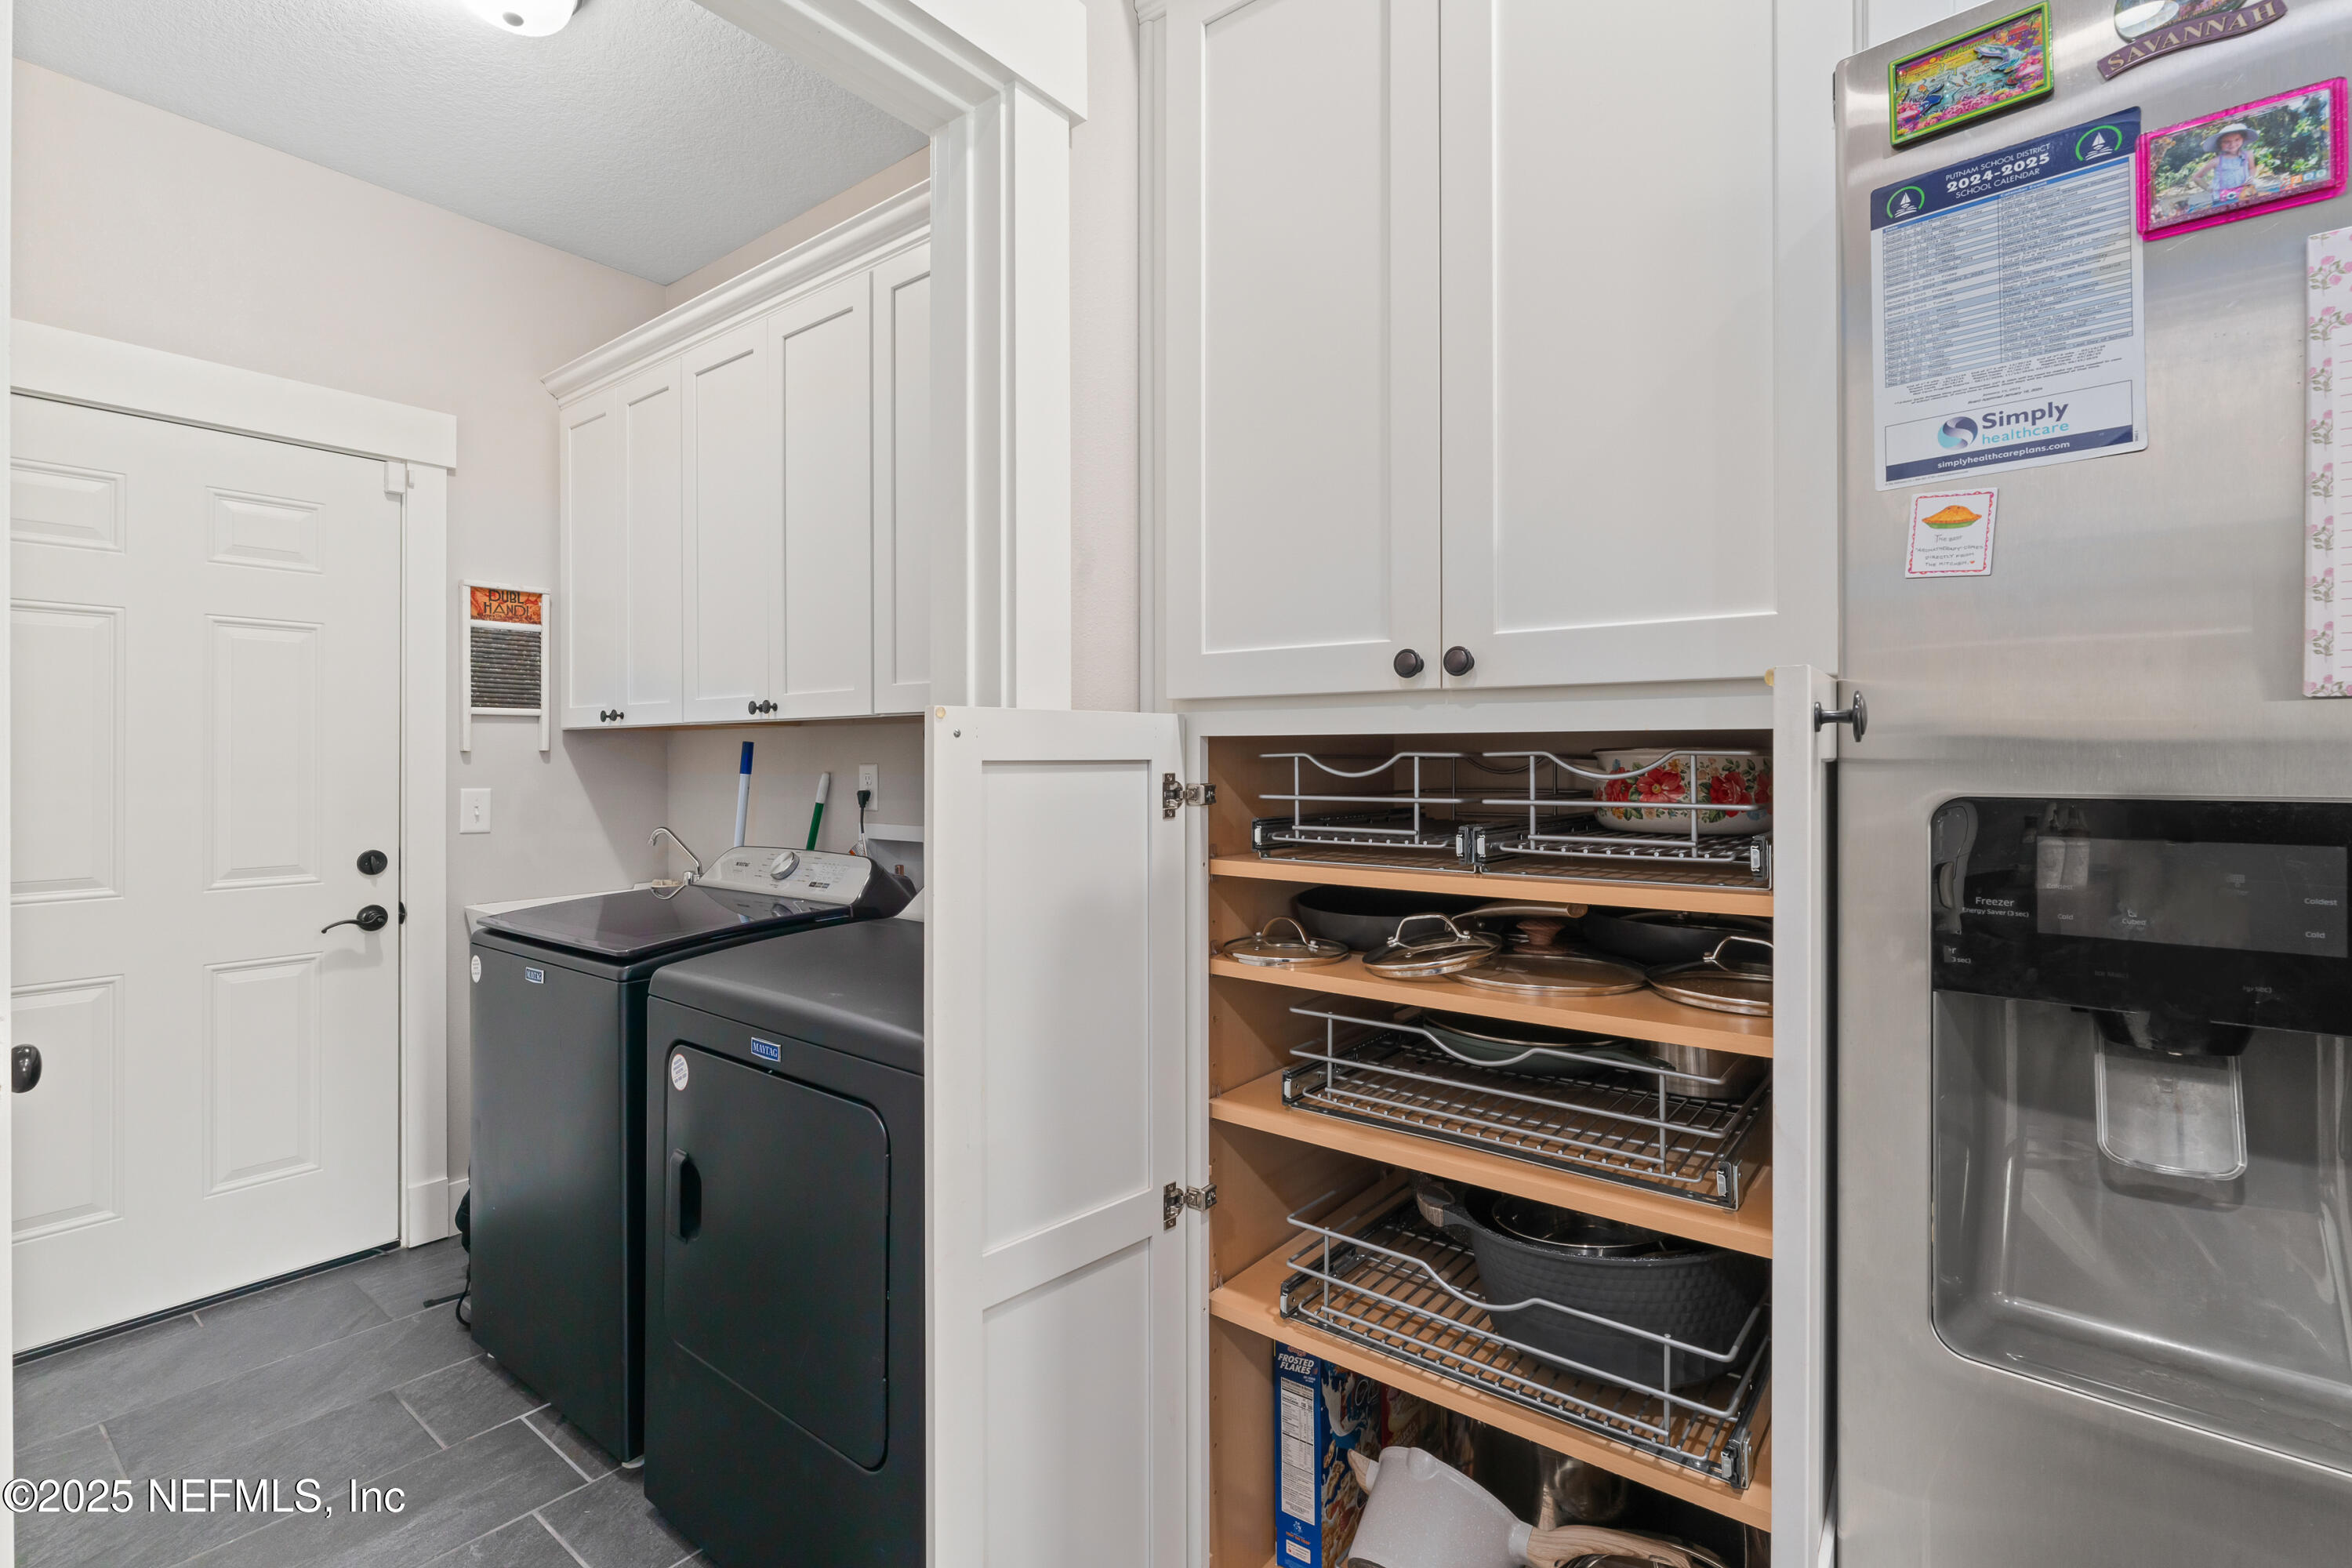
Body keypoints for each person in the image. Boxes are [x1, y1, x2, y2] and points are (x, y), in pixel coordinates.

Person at [2202, 122, 2259, 201]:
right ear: (2220, 144)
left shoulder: (2248, 154)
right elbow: (2196, 177)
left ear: (2243, 139)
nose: (2232, 144)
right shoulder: (2217, 161)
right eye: (2226, 142)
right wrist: (2209, 188)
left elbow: (2252, 168)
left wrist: (2251, 177)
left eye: (2237, 140)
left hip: (2244, 191)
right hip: (2223, 196)